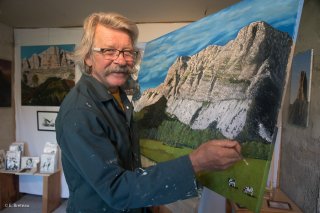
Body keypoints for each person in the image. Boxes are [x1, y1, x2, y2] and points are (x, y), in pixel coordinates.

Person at [56, 12, 242, 213]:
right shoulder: (79, 113)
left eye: (127, 52)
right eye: (109, 51)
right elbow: (117, 190)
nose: (121, 60)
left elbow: (129, 163)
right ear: (88, 58)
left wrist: (151, 203)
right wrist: (195, 162)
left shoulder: (118, 95)